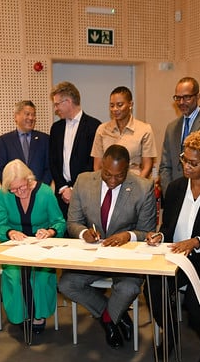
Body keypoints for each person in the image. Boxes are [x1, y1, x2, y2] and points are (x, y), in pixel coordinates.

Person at [58, 144, 156, 349]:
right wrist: (84, 233)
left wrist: (128, 236)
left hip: (126, 258)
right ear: (102, 164)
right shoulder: (83, 181)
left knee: (129, 288)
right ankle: (115, 315)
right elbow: (73, 222)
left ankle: (108, 320)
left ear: (128, 169)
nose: (112, 181)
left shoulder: (143, 187)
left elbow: (147, 230)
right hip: (93, 256)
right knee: (67, 284)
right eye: (107, 174)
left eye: (119, 176)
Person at [145, 130, 200, 362]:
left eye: (194, 163)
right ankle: (170, 331)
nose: (187, 166)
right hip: (176, 257)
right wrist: (160, 236)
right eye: (185, 159)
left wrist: (197, 241)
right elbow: (168, 227)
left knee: (196, 303)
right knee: (152, 287)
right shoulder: (175, 188)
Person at [0, 159, 66, 333]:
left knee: (40, 277)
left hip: (42, 247)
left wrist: (50, 232)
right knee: (15, 277)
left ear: (29, 179)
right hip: (15, 248)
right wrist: (10, 232)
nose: (19, 192)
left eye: (22, 187)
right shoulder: (5, 194)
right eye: (14, 190)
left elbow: (59, 222)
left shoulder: (45, 192)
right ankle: (21, 315)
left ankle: (38, 315)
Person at [48, 81, 101, 219]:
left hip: (85, 193)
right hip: (61, 195)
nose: (56, 109)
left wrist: (73, 189)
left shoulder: (94, 126)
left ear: (68, 102)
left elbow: (93, 163)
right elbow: (52, 161)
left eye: (57, 104)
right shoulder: (56, 128)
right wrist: (63, 188)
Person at [159, 77, 200, 195]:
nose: (181, 102)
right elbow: (165, 166)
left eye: (186, 97)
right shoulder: (171, 128)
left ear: (198, 96)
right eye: (178, 98)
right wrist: (169, 193)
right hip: (175, 194)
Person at [91, 86, 157, 178]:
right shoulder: (102, 130)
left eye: (120, 105)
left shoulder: (144, 129)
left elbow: (147, 166)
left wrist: (138, 185)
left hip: (135, 179)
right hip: (108, 180)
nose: (115, 109)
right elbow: (97, 166)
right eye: (112, 105)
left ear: (130, 104)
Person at [0, 100, 51, 185]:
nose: (31, 118)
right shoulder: (5, 140)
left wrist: (40, 188)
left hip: (39, 190)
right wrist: (15, 188)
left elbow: (49, 168)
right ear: (16, 116)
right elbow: (2, 169)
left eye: (33, 115)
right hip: (15, 190)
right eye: (27, 114)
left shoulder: (45, 139)